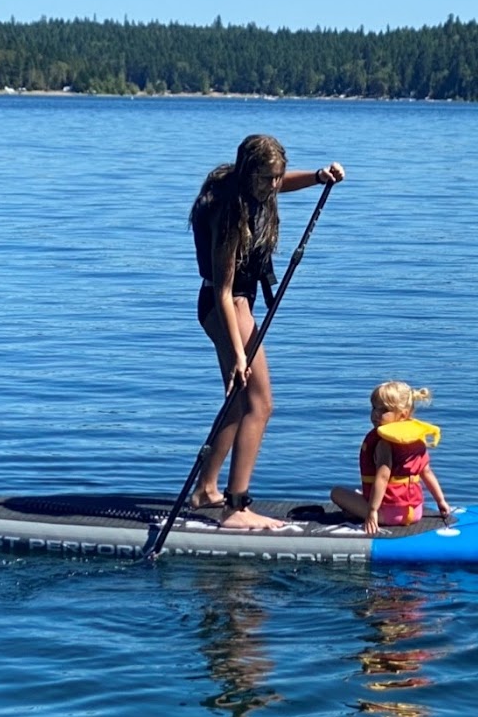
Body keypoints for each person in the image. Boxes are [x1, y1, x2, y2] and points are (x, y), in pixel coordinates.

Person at [189, 134, 345, 529]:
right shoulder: (228, 213)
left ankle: (206, 490)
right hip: (226, 306)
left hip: (238, 306)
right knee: (260, 403)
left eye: (277, 178)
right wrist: (240, 353)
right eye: (267, 179)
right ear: (247, 174)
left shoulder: (256, 188)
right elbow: (224, 292)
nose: (274, 186)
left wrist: (317, 176)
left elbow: (285, 181)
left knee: (239, 402)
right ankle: (235, 508)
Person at [331, 381, 450, 534]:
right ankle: (362, 506)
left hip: (388, 515)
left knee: (336, 492)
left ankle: (363, 509)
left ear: (403, 414)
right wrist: (441, 501)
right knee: (361, 494)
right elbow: (426, 472)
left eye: (383, 410)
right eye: (374, 408)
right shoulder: (416, 438)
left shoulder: (384, 443)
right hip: (415, 512)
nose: (375, 414)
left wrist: (372, 512)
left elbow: (383, 477)